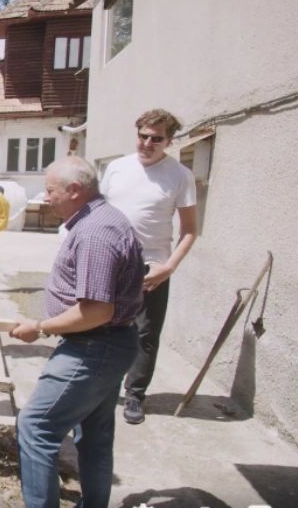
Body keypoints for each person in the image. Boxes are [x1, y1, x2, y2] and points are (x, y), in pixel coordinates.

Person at [10, 156, 145, 508]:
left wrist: (40, 327)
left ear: (74, 190)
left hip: (93, 346)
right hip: (107, 344)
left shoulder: (95, 232)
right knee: (95, 436)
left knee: (36, 427)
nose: (46, 197)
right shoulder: (100, 220)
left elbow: (97, 311)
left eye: (50, 190)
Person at [100, 108, 198, 425]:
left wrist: (168, 267)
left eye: (156, 139)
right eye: (143, 136)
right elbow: (99, 211)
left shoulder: (180, 175)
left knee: (144, 333)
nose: (147, 143)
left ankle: (135, 395)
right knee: (103, 325)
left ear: (169, 141)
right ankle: (102, 389)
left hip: (151, 266)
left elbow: (190, 230)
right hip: (111, 262)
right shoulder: (117, 168)